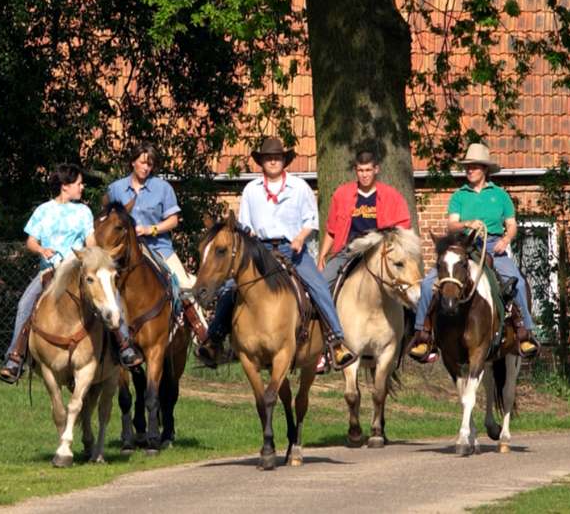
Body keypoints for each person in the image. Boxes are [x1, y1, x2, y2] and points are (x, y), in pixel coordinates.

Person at [196, 137, 356, 370]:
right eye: (268, 158)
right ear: (261, 162)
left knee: (318, 286)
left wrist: (301, 238)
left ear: (284, 161)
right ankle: (214, 340)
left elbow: (311, 219)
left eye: (277, 158)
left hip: (292, 249)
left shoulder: (299, 187)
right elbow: (244, 225)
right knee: (231, 288)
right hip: (259, 250)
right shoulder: (251, 190)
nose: (273, 161)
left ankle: (336, 341)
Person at [0, 163, 132, 383]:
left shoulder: (83, 211)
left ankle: (124, 345)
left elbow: (90, 241)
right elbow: (31, 241)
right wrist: (41, 249)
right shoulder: (43, 210)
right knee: (25, 304)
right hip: (49, 272)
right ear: (64, 186)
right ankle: (15, 356)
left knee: (112, 296)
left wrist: (96, 253)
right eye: (79, 183)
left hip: (76, 270)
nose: (82, 187)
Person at [409, 143, 539, 361]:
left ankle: (525, 333)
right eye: (468, 167)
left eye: (475, 166)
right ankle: (422, 335)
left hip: (493, 246)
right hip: (464, 246)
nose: (470, 170)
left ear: (485, 169)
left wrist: (506, 240)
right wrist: (468, 223)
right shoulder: (459, 196)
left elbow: (512, 224)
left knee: (516, 280)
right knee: (426, 283)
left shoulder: (500, 195)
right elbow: (452, 225)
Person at [105, 142, 207, 367]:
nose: (146, 167)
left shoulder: (163, 188)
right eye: (142, 162)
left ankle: (204, 337)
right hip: (125, 252)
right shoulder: (115, 189)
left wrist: (150, 229)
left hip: (159, 247)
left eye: (150, 164)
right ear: (132, 162)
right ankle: (107, 344)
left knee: (185, 285)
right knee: (104, 289)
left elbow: (173, 220)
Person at [318, 149, 411, 289]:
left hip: (381, 251)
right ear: (356, 170)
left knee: (408, 288)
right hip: (349, 250)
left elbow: (403, 228)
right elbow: (331, 230)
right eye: (361, 170)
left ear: (376, 169)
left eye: (368, 170)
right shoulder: (341, 194)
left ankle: (412, 311)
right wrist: (322, 256)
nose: (364, 175)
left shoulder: (392, 196)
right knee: (321, 285)